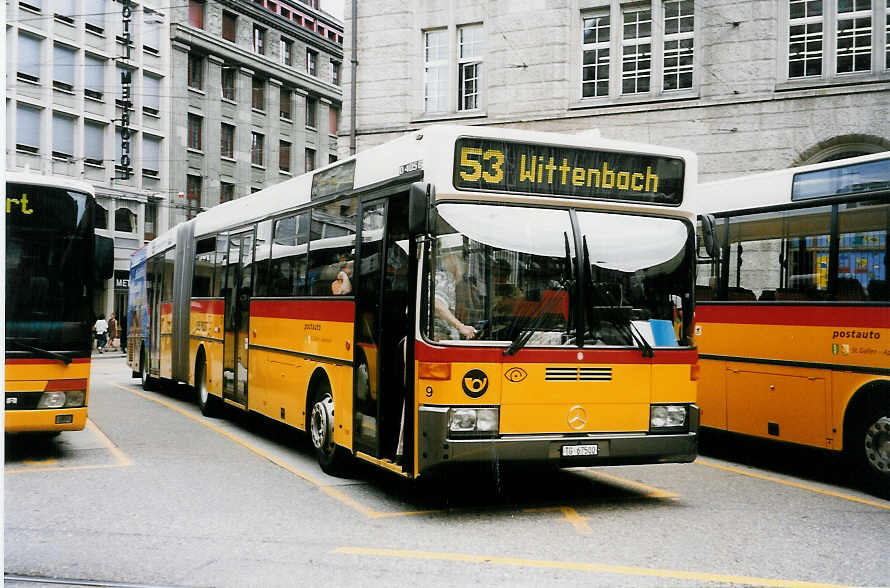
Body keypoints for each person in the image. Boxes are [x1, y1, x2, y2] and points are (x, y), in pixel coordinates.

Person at [434, 252, 477, 340]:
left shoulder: (441, 279)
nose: (461, 278)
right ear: (456, 270)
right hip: (436, 333)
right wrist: (461, 326)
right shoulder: (445, 278)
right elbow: (437, 304)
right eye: (462, 274)